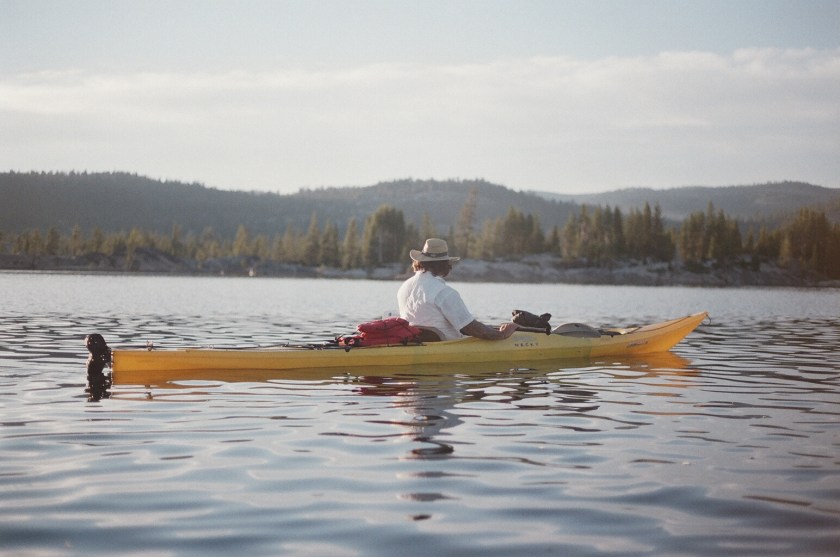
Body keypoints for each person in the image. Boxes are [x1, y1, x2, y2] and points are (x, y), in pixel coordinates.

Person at [397, 238, 519, 341]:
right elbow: (471, 329)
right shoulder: (444, 292)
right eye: (448, 263)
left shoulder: (404, 287)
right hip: (447, 347)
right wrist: (503, 333)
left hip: (416, 343)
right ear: (443, 264)